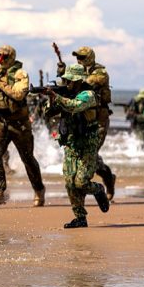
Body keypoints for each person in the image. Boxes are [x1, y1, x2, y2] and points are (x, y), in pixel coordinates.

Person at [0, 45, 45, 206]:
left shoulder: (20, 74)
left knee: (27, 159)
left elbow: (18, 94)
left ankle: (39, 189)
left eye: (4, 57)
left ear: (12, 57)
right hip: (1, 121)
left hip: (19, 123)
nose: (1, 60)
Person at [46, 64, 110, 228]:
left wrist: (58, 97)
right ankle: (80, 217)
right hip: (71, 143)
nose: (66, 83)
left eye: (69, 81)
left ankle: (98, 189)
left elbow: (75, 106)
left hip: (87, 143)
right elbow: (49, 112)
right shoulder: (66, 94)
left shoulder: (88, 95)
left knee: (81, 182)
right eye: (65, 80)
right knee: (70, 182)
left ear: (78, 81)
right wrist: (51, 100)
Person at [57, 46, 116, 202]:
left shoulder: (100, 73)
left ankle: (101, 182)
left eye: (82, 57)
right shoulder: (77, 72)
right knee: (88, 158)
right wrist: (63, 75)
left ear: (90, 58)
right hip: (82, 121)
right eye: (77, 57)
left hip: (99, 121)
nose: (79, 60)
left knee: (90, 154)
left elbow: (85, 83)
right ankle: (98, 180)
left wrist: (68, 76)